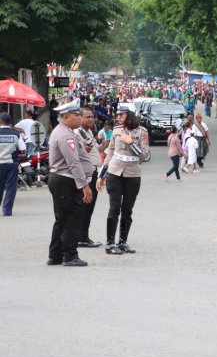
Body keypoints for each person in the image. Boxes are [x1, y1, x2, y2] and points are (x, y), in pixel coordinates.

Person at [97, 104, 150, 255]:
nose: (118, 117)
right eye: (117, 114)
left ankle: (122, 242)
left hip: (132, 173)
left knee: (127, 210)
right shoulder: (116, 130)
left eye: (122, 114)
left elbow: (145, 156)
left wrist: (131, 143)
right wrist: (101, 175)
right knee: (114, 208)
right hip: (114, 172)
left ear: (131, 115)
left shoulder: (142, 132)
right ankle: (110, 243)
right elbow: (110, 153)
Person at [46, 99, 92, 266]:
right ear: (65, 117)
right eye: (76, 115)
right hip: (66, 180)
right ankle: (70, 256)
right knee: (71, 219)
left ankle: (55, 255)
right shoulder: (65, 135)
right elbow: (73, 163)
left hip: (62, 179)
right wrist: (84, 186)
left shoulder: (66, 132)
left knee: (62, 218)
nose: (80, 118)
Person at [75, 107, 104, 247]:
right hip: (86, 174)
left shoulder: (88, 132)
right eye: (87, 117)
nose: (91, 119)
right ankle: (81, 237)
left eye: (92, 117)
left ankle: (84, 236)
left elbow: (93, 150)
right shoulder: (77, 133)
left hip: (94, 171)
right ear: (79, 118)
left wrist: (103, 147)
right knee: (86, 206)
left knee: (90, 207)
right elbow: (77, 154)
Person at [0, 112, 26, 216]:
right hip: (12, 164)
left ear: (0, 122)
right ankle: (7, 210)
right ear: (10, 122)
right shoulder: (16, 134)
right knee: (11, 187)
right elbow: (23, 149)